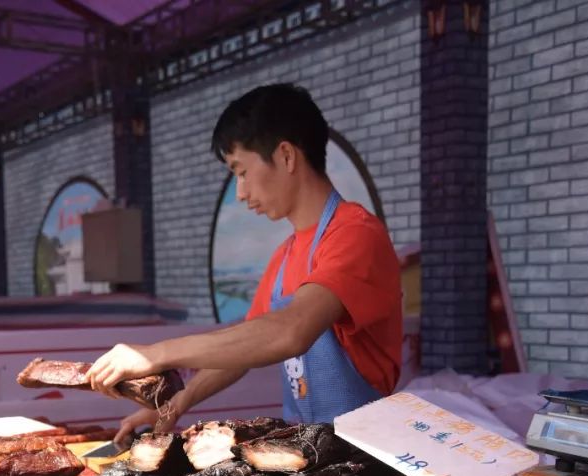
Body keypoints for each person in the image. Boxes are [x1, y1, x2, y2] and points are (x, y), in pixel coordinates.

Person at [89, 84, 403, 444]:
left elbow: (289, 331)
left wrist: (154, 355)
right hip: (306, 447)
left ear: (286, 156)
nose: (239, 191)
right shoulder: (284, 256)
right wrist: (175, 403)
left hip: (367, 452)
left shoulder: (356, 234)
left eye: (241, 171)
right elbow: (245, 347)